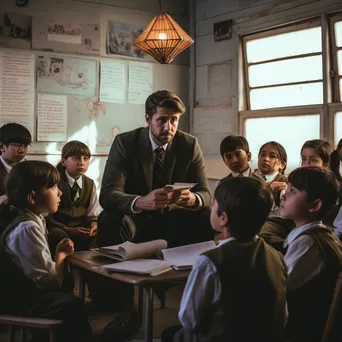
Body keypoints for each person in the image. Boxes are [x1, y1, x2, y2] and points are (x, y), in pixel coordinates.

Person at [162, 177, 287, 342]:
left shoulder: (209, 261)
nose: (211, 207)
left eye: (213, 204)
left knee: (171, 334)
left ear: (223, 218)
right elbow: (283, 315)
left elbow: (189, 318)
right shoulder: (277, 256)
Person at [99, 90, 213, 248]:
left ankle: (194, 269)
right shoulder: (125, 143)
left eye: (174, 120)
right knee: (109, 218)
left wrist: (192, 199)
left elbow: (206, 195)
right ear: (148, 119)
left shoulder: (189, 144)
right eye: (162, 120)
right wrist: (140, 201)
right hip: (136, 220)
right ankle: (112, 271)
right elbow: (108, 195)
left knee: (206, 215)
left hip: (174, 219)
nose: (169, 127)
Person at [0, 161, 91, 342]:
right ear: (32, 197)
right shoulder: (27, 227)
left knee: (68, 284)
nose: (60, 192)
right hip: (13, 299)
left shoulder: (25, 214)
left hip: (15, 291)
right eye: (53, 187)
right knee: (72, 304)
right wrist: (60, 256)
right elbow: (49, 283)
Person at [280, 166, 342, 341]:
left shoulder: (309, 243)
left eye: (292, 191)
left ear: (315, 205)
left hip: (301, 331)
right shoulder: (314, 234)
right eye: (286, 188)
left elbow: (279, 287)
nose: (283, 195)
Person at [46, 140, 102, 251]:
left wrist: (93, 225)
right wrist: (67, 229)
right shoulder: (54, 181)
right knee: (58, 234)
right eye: (76, 158)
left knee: (100, 233)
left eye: (85, 159)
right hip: (58, 227)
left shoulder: (89, 183)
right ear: (63, 162)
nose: (81, 163)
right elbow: (45, 215)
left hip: (81, 227)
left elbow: (92, 213)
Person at [0, 122, 31, 196]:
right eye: (16, 145)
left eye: (26, 145)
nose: (22, 150)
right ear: (1, 147)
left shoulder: (28, 168)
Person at [253, 141, 287, 206]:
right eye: (262, 155)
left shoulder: (285, 183)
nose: (266, 159)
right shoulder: (248, 178)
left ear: (282, 165)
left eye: (272, 156)